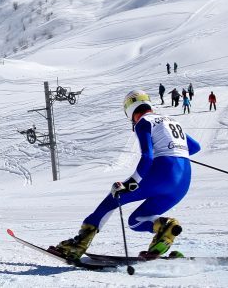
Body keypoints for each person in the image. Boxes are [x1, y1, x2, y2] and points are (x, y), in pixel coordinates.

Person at [51, 90, 201, 260]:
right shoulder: (171, 120)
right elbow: (195, 147)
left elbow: (147, 157)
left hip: (163, 173)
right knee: (136, 221)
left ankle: (78, 245)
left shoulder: (144, 122)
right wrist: (174, 150)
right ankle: (165, 232)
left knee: (113, 199)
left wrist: (131, 183)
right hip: (183, 181)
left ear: (129, 110)